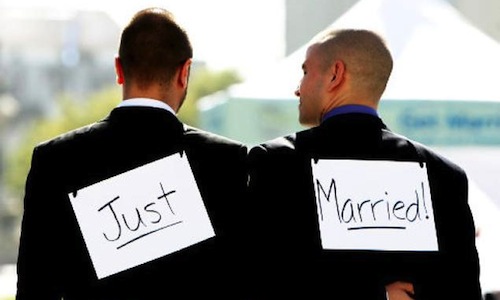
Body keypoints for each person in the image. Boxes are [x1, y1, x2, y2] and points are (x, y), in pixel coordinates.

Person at [16, 8, 248, 299]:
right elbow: (242, 281)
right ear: (185, 71)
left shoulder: (55, 160)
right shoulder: (226, 161)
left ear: (119, 69)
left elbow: (34, 289)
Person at [245, 28, 482, 299]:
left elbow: (259, 281)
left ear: (335, 74)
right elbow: (463, 290)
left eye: (306, 72)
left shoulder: (278, 163)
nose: (297, 89)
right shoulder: (443, 174)